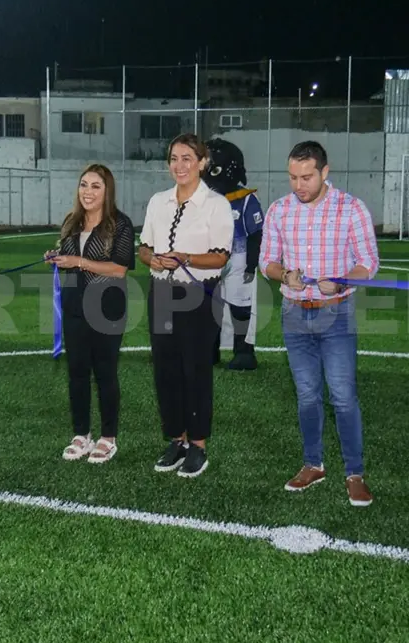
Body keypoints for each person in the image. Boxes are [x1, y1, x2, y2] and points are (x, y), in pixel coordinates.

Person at [259, 141, 379, 507]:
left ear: (325, 172)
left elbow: (369, 263)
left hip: (336, 314)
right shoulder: (279, 211)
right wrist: (287, 275)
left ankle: (354, 473)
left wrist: (343, 278)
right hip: (295, 314)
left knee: (343, 396)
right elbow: (267, 262)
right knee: (307, 395)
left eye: (307, 177)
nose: (299, 185)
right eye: (293, 177)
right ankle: (313, 464)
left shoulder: (352, 209)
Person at [139, 133, 234, 478]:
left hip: (199, 296)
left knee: (195, 370)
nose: (179, 166)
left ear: (203, 163)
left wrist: (184, 258)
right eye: (174, 159)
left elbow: (220, 257)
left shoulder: (217, 205)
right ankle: (176, 440)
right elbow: (144, 249)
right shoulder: (157, 202)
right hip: (161, 292)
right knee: (165, 369)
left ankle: (198, 445)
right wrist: (155, 258)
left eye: (187, 159)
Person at [47, 164, 136, 464]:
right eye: (84, 184)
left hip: (106, 308)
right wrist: (58, 260)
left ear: (107, 190)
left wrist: (79, 261)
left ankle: (108, 438)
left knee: (105, 374)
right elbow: (69, 266)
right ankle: (81, 435)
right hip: (74, 309)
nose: (88, 191)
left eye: (95, 186)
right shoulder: (71, 222)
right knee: (77, 374)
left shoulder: (120, 224)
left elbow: (119, 268)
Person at [204, 138, 264, 371]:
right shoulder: (202, 199)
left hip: (238, 260)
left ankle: (244, 351)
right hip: (208, 260)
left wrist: (251, 264)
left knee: (240, 305)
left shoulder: (246, 198)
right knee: (209, 305)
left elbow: (256, 233)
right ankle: (209, 350)